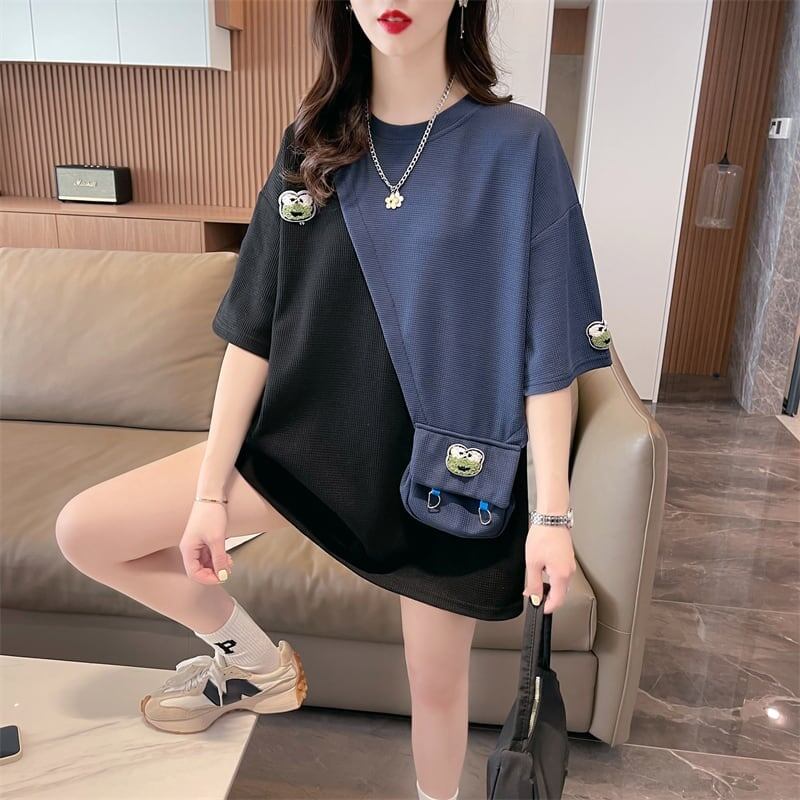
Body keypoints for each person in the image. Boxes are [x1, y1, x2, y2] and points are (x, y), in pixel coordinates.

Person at [54, 2, 614, 799]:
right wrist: (210, 493)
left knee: (437, 690)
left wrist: (552, 518)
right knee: (86, 531)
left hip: (445, 470)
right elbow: (254, 332)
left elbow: (548, 354)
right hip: (306, 450)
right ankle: (252, 665)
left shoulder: (519, 146)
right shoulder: (311, 142)